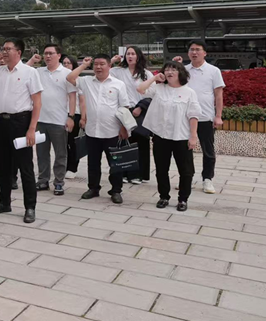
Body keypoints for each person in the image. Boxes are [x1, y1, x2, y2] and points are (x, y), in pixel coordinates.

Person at [0, 39, 42, 223]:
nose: (4, 52)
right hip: (1, 122)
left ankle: (30, 207)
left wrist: (32, 129)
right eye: (3, 49)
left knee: (25, 166)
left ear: (18, 52)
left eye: (8, 49)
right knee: (2, 165)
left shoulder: (30, 72)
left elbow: (37, 102)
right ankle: (4, 202)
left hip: (21, 122)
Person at [137, 62, 201, 211]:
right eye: (167, 70)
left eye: (173, 70)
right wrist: (154, 78)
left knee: (186, 171)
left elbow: (193, 115)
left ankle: (183, 199)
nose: (169, 72)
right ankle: (164, 196)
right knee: (161, 169)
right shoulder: (158, 88)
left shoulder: (189, 92)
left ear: (181, 73)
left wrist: (193, 136)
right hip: (161, 136)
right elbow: (140, 89)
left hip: (181, 136)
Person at [67, 54, 130, 203]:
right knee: (93, 163)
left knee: (115, 164)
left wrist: (123, 127)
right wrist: (84, 65)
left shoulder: (118, 84)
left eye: (102, 64)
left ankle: (116, 190)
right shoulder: (87, 81)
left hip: (112, 131)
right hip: (92, 131)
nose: (98, 67)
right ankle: (93, 188)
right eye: (96, 64)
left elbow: (124, 107)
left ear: (109, 66)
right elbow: (70, 78)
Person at [174, 40, 225, 194]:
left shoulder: (213, 71)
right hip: (185, 118)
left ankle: (207, 179)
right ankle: (186, 179)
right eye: (191, 49)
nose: (194, 52)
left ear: (205, 53)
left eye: (198, 49)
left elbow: (218, 95)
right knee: (184, 151)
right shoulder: (183, 70)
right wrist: (175, 65)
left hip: (205, 117)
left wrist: (218, 116)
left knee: (208, 150)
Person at [34, 44, 77, 196]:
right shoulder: (38, 72)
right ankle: (43, 180)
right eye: (45, 53)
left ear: (59, 55)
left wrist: (71, 116)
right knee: (41, 153)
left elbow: (72, 96)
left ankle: (59, 182)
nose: (48, 56)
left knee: (60, 154)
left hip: (59, 120)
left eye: (51, 53)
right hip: (41, 120)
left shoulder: (67, 73)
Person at [110, 46, 152, 184]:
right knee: (124, 141)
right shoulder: (118, 71)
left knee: (141, 142)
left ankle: (139, 174)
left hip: (140, 110)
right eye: (128, 54)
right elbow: (103, 71)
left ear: (138, 56)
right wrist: (112, 61)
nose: (130, 56)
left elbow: (152, 93)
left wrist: (140, 107)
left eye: (133, 54)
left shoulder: (146, 74)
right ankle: (123, 172)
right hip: (123, 110)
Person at [61, 55, 83, 178]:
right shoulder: (61, 79)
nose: (66, 65)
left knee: (73, 142)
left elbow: (83, 100)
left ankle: (72, 167)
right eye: (64, 63)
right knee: (63, 143)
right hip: (61, 113)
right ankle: (64, 165)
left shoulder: (78, 80)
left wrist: (83, 117)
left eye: (68, 63)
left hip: (75, 113)